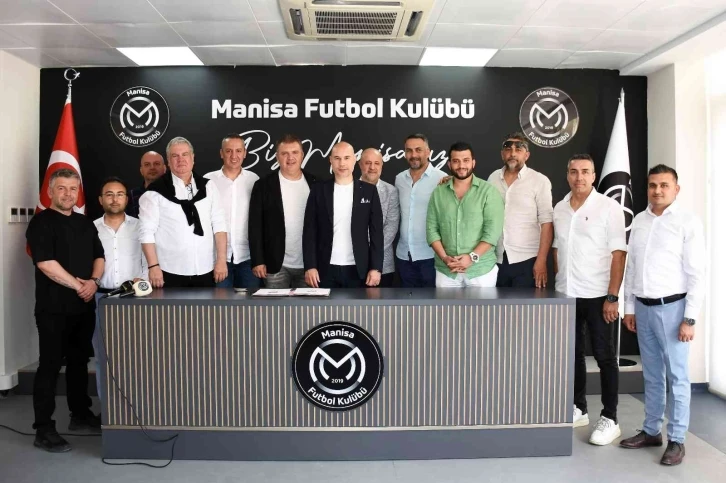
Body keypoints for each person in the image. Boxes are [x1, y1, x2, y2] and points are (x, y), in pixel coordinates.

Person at [619, 164, 706, 466]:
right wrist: (629, 308)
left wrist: (689, 319)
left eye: (664, 185)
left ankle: (677, 440)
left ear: (676, 189)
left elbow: (697, 274)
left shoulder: (687, 222)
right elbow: (632, 268)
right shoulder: (640, 221)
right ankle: (651, 430)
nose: (658, 190)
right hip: (643, 309)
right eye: (653, 185)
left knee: (677, 377)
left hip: (674, 310)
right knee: (652, 374)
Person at [26, 168, 105, 452]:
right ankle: (43, 429)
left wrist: (94, 282)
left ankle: (80, 415)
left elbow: (99, 256)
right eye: (61, 188)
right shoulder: (41, 223)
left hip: (82, 308)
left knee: (78, 362)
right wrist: (80, 286)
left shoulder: (85, 223)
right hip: (53, 309)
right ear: (50, 191)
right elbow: (46, 263)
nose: (68, 194)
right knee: (49, 366)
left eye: (73, 189)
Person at [552, 154, 626, 446]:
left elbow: (618, 254)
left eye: (585, 171)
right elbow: (557, 249)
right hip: (567, 293)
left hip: (598, 296)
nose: (579, 177)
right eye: (573, 172)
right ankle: (579, 408)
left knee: (605, 356)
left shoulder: (609, 207)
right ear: (567, 175)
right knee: (573, 354)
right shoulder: (559, 208)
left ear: (594, 176)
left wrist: (612, 296)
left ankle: (610, 417)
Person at [139, 137, 228, 288]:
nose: (181, 160)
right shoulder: (154, 193)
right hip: (169, 271)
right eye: (175, 156)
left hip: (206, 268)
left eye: (185, 154)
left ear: (193, 158)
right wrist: (153, 266)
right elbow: (146, 232)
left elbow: (219, 225)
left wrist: (221, 260)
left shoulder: (208, 187)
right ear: (168, 161)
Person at [93, 177, 147, 399]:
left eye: (119, 194)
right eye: (109, 194)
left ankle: (137, 404)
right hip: (100, 299)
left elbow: (150, 260)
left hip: (134, 298)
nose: (114, 199)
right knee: (102, 355)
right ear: (100, 199)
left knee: (137, 355)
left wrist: (142, 281)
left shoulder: (141, 227)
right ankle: (107, 408)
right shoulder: (90, 228)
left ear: (127, 199)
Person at [303, 142, 383, 288]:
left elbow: (376, 233)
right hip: (324, 269)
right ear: (330, 160)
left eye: (346, 158)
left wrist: (376, 268)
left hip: (358, 269)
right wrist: (310, 266)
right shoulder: (318, 190)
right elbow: (309, 231)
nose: (342, 163)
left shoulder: (369, 191)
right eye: (337, 158)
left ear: (354, 160)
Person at [426, 142, 504, 287]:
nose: (461, 165)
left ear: (473, 163)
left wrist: (472, 257)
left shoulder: (488, 192)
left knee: (482, 305)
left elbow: (492, 232)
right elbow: (431, 230)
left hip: (481, 271)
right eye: (456, 161)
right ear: (449, 164)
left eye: (466, 160)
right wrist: (445, 258)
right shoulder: (438, 193)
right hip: (447, 271)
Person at [249, 134, 316, 289]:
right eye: (284, 153)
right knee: (276, 306)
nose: (290, 158)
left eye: (295, 152)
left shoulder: (315, 184)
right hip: (275, 265)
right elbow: (255, 226)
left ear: (302, 155)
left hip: (309, 266)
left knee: (307, 305)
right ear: (277, 156)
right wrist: (258, 260)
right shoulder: (263, 185)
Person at [488, 133, 553, 288]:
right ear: (502, 154)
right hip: (496, 260)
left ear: (526, 155)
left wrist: (541, 260)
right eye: (508, 149)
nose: (513, 153)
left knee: (524, 305)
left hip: (527, 261)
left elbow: (547, 222)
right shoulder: (492, 179)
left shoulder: (539, 181)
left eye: (518, 149)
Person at [204, 133, 260, 289]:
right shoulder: (208, 181)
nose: (234, 156)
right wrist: (218, 259)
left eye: (238, 151)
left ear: (245, 153)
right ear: (221, 153)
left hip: (248, 258)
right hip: (217, 259)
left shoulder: (254, 180)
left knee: (251, 303)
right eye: (228, 151)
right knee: (220, 304)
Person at [395, 134, 447, 287]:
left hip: (430, 256)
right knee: (406, 301)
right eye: (409, 150)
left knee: (431, 301)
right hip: (404, 256)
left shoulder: (442, 179)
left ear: (428, 152)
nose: (414, 155)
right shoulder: (399, 179)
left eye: (418, 150)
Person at [359, 148, 399, 287]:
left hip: (383, 265)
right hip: (353, 262)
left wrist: (372, 251)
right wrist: (359, 250)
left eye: (376, 163)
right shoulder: (350, 189)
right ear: (360, 164)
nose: (372, 167)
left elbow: (391, 226)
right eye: (368, 163)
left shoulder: (391, 191)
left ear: (381, 165)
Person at [126, 151, 166, 218]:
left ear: (164, 168)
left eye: (156, 164)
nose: (152, 167)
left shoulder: (176, 193)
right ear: (141, 170)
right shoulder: (131, 196)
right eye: (147, 164)